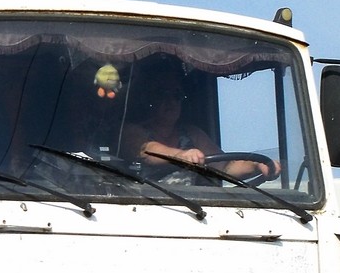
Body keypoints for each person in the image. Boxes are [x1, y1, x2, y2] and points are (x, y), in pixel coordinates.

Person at [120, 61, 280, 182]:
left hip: (194, 210)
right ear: (149, 98)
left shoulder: (191, 134)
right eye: (163, 94)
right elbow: (146, 151)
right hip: (144, 209)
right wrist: (181, 155)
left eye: (176, 95)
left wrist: (257, 166)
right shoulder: (132, 131)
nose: (171, 101)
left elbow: (226, 166)